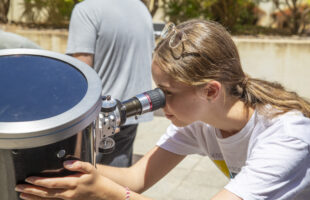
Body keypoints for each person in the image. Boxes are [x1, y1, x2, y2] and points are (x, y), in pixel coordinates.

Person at [15, 19, 310, 200]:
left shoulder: (286, 136)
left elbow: (125, 190)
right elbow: (136, 178)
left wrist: (109, 194)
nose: (157, 103)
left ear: (210, 90)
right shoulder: (201, 120)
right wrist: (58, 167)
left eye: (166, 92)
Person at [65, 0, 154, 167]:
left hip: (97, 116)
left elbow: (80, 70)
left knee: (81, 177)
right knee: (117, 182)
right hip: (132, 109)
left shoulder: (87, 10)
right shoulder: (141, 10)